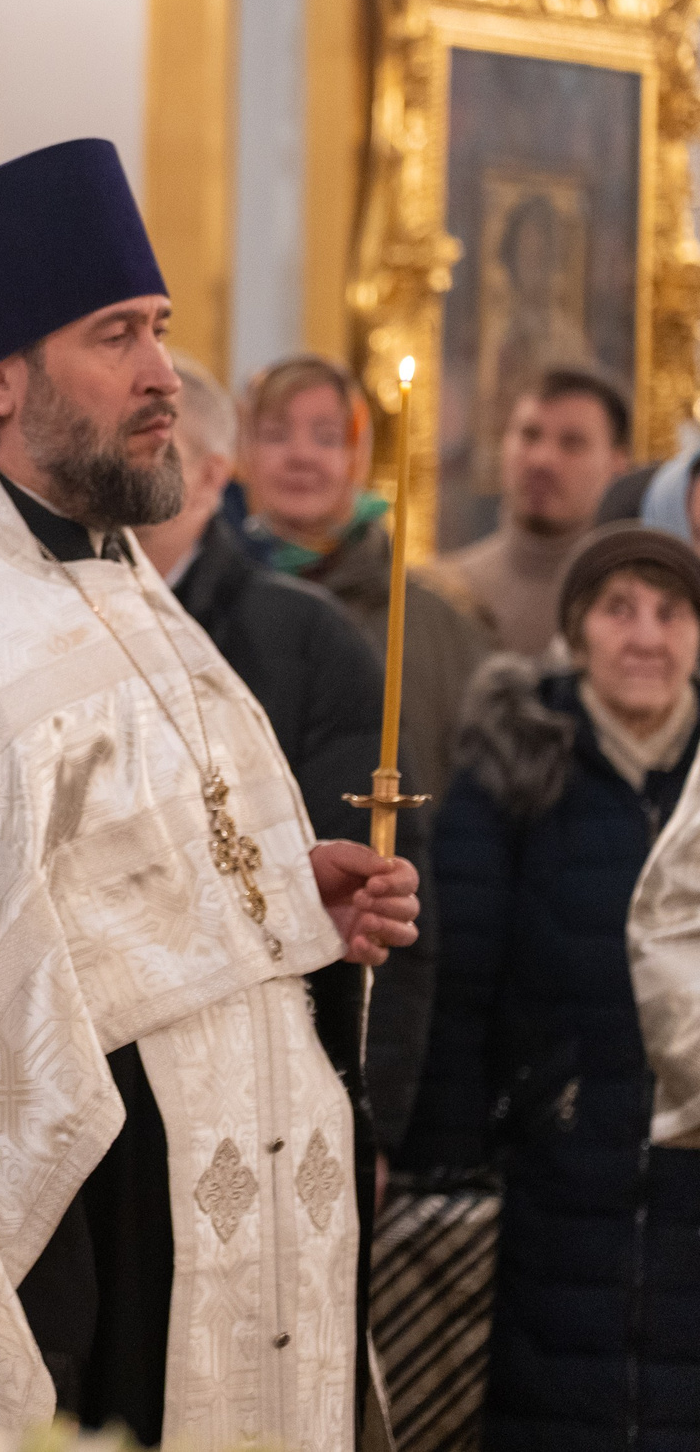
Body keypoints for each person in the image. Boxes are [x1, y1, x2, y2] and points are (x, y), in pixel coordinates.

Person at [0, 139, 417, 1444]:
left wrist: (286, 899)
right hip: (119, 1249)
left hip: (265, 1212)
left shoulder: (123, 581)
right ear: (1, 374)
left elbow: (141, 869)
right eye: (116, 337)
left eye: (161, 331)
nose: (161, 379)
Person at [409, 526, 700, 1449]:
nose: (645, 636)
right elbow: (458, 987)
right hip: (552, 1178)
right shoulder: (518, 765)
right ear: (575, 632)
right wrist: (449, 1166)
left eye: (670, 610)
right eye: (617, 609)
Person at [147, 358, 436, 1165]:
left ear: (211, 476)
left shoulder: (304, 634)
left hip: (278, 1066)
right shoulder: (66, 615)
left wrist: (368, 1114)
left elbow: (375, 890)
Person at [238, 354, 491, 849]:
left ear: (358, 456)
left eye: (327, 437)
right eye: (275, 435)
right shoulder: (203, 606)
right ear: (242, 453)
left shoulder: (434, 621)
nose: (300, 456)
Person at [437, 366, 634, 656]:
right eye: (529, 435)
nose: (542, 461)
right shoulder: (445, 593)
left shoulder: (636, 611)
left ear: (617, 464)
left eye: (572, 443)